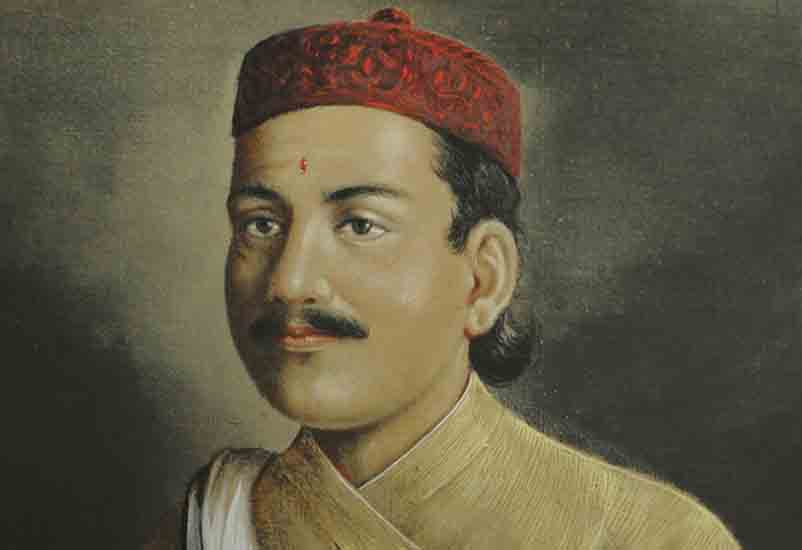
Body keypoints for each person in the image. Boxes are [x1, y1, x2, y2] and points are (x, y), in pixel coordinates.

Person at [147, 7, 741, 549]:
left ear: (484, 277)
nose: (289, 281)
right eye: (261, 224)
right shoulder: (213, 524)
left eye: (360, 224)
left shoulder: (657, 539)